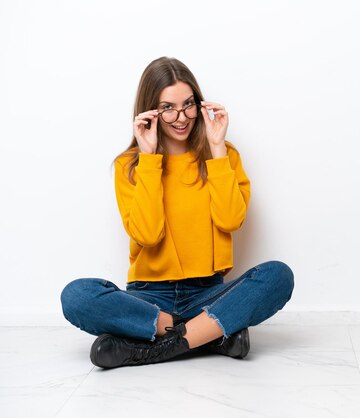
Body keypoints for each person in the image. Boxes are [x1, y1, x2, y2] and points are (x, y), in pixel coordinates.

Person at [60, 57, 294, 369]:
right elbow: (147, 234)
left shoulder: (223, 155)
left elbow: (230, 220)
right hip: (148, 299)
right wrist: (149, 158)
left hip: (207, 294)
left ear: (200, 104)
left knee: (278, 276)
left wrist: (217, 149)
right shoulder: (130, 165)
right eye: (168, 107)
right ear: (150, 111)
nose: (181, 117)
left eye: (188, 105)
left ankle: (154, 347)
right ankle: (209, 335)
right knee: (77, 296)